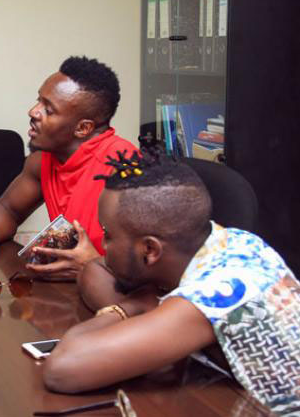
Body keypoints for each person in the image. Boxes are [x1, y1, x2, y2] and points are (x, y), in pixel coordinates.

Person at [43, 151, 300, 415]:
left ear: (150, 250)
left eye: (108, 235)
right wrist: (145, 308)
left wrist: (133, 308)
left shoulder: (218, 293)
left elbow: (62, 368)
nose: (102, 245)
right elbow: (92, 271)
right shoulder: (228, 241)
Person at [0, 56, 136, 280]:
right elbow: (9, 209)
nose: (33, 112)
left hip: (119, 302)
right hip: (70, 292)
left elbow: (150, 268)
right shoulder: (42, 161)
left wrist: (93, 265)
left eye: (49, 110)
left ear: (83, 128)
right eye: (39, 101)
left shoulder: (126, 169)